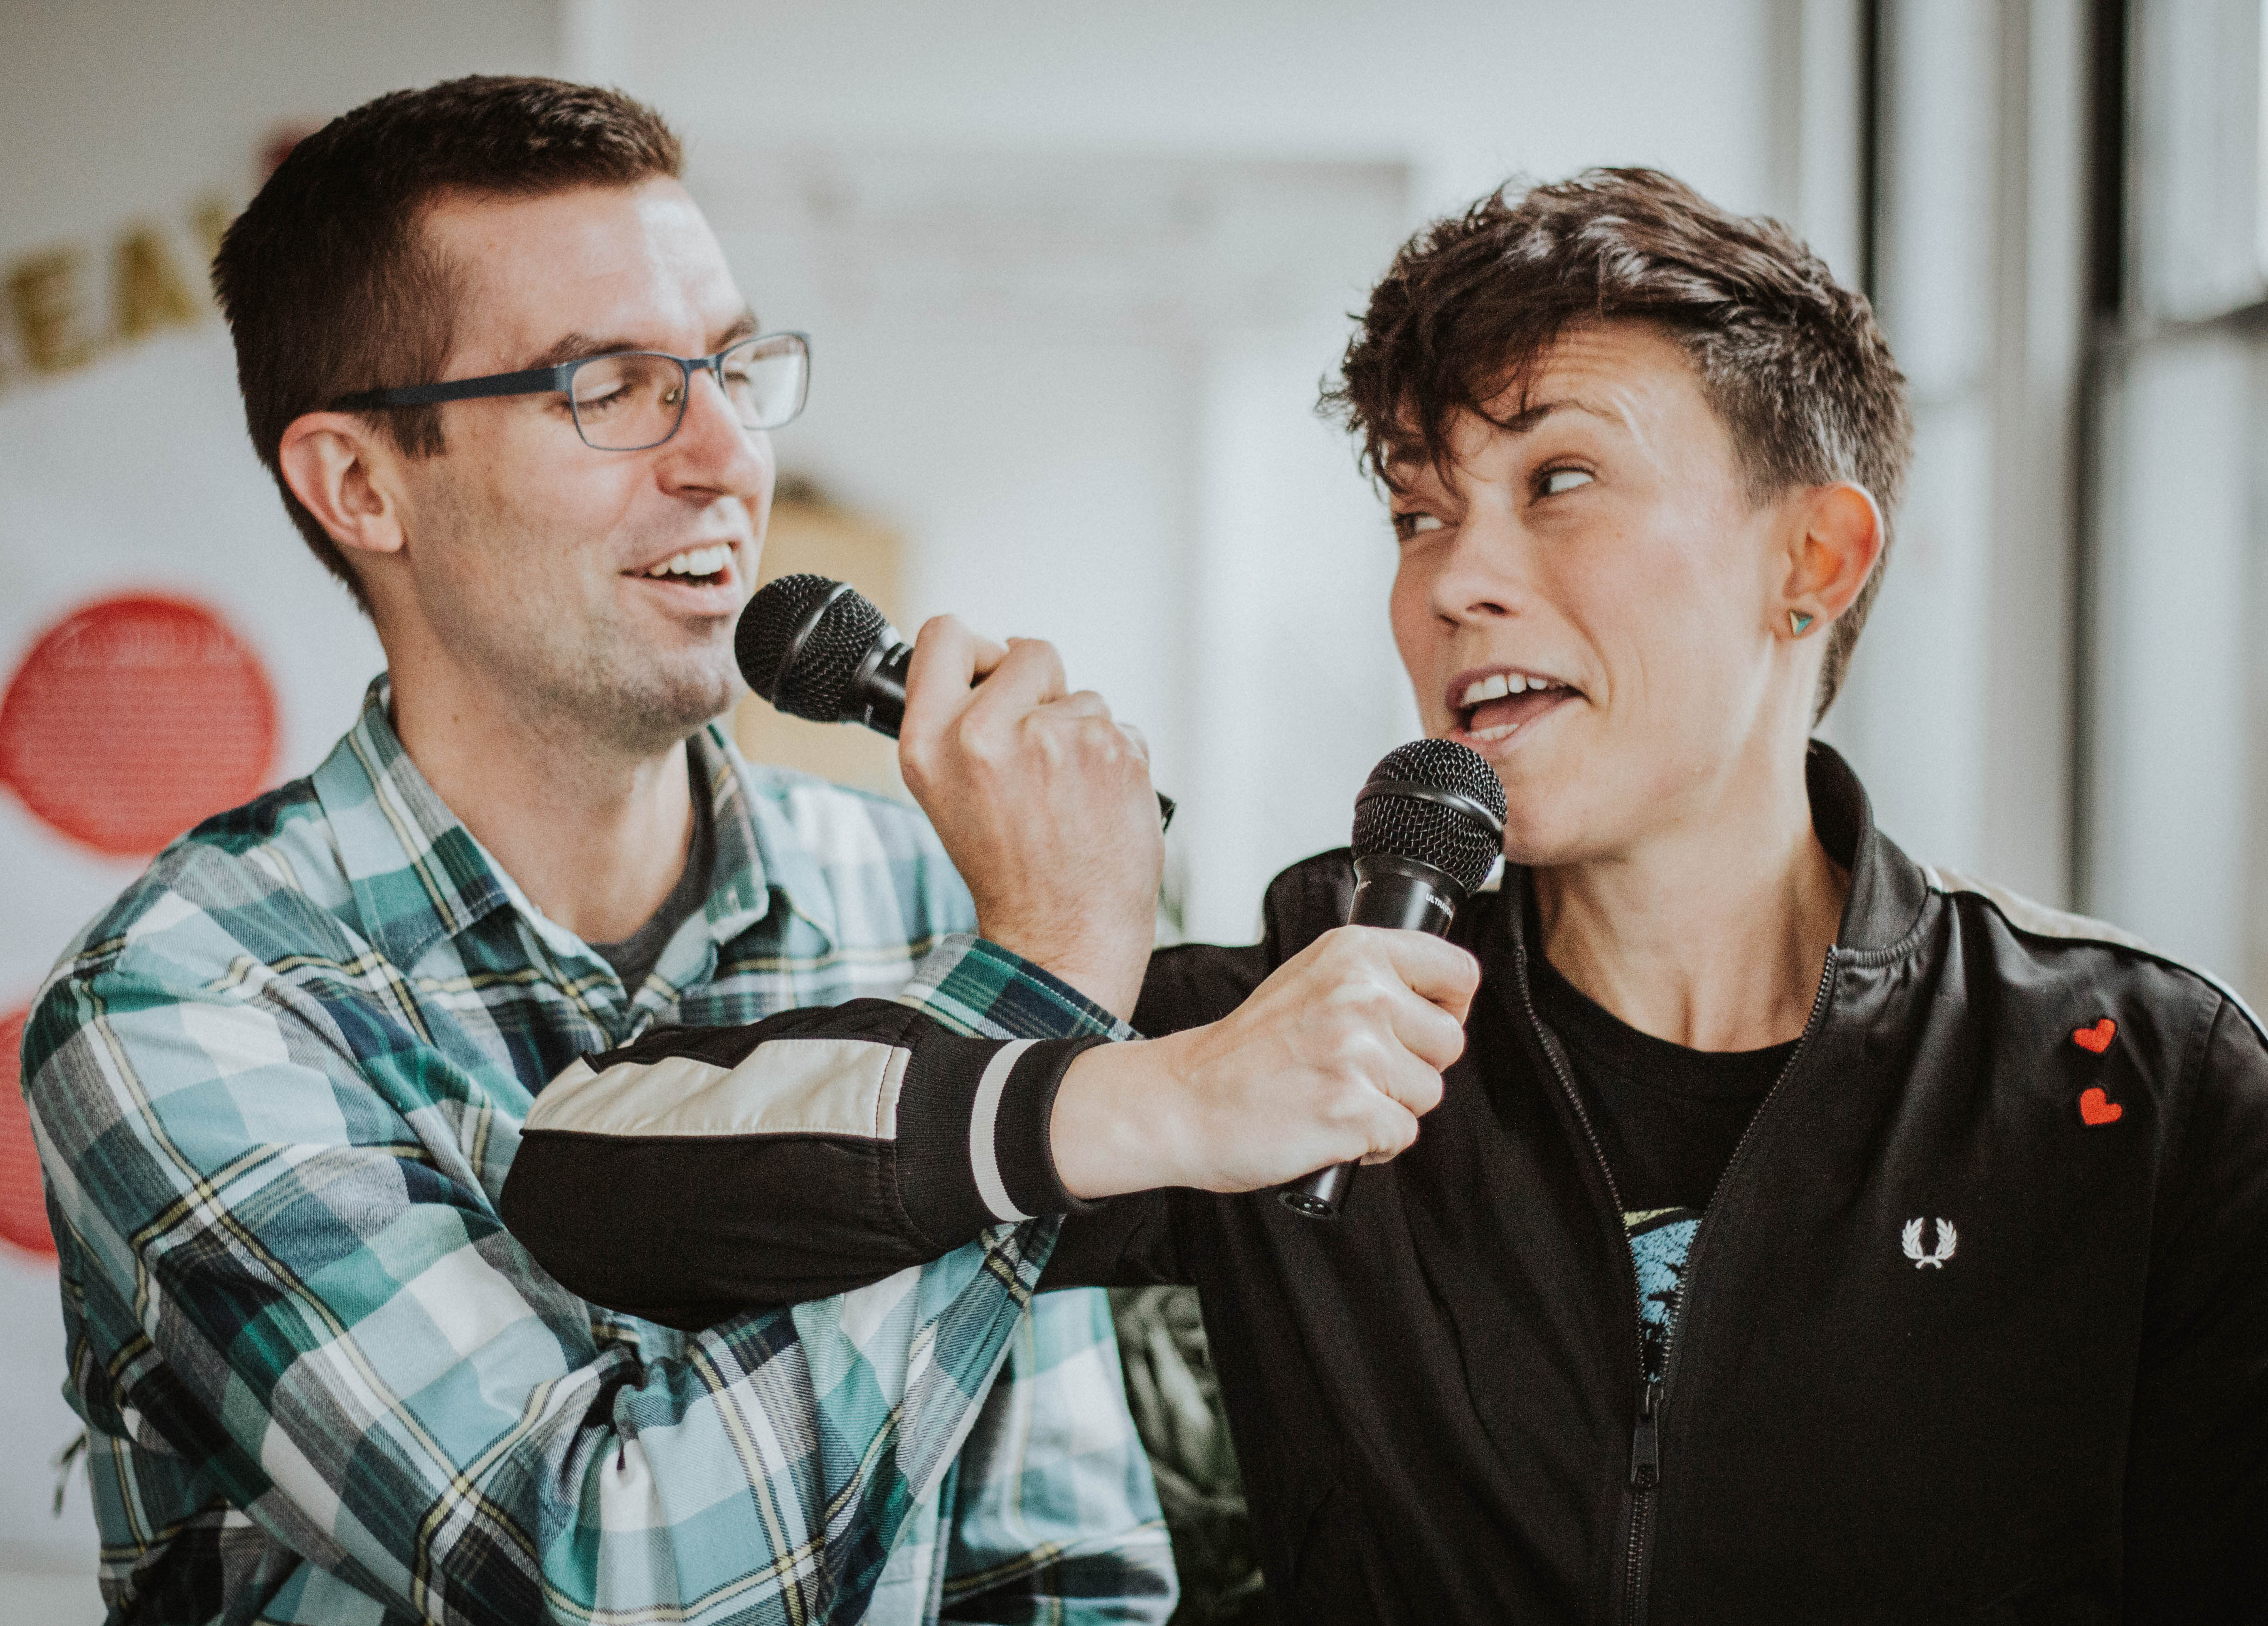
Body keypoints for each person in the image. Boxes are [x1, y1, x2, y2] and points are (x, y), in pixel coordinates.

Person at [501, 169, 2268, 1622]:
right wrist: (1146, 1076)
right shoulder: (1304, 1021)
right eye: (1422, 511)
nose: (1457, 581)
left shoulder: (2136, 1082)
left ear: (1812, 559)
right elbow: (583, 1176)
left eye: (1556, 481)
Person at [22, 74, 1268, 1625]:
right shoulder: (186, 1005)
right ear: (361, 484)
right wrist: (1034, 1012)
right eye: (609, 386)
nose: (727, 456)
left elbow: (1057, 1572)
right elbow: (612, 1579)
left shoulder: (924, 897)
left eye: (732, 366)